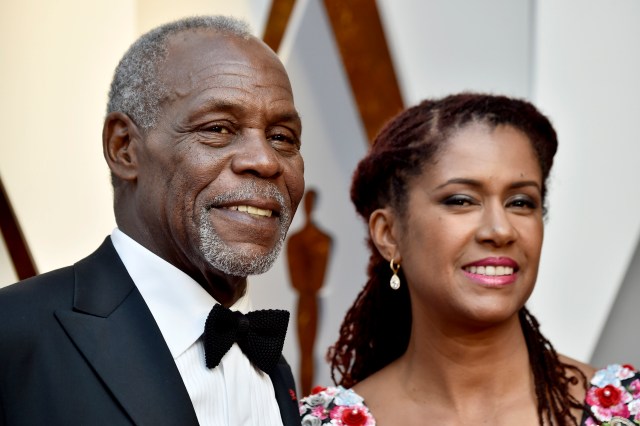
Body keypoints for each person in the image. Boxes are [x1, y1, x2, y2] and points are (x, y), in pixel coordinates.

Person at [0, 16, 304, 426]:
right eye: (218, 128)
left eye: (282, 136)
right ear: (124, 148)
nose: (265, 161)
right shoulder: (14, 336)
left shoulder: (273, 367)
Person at [299, 93, 640, 425]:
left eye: (521, 202)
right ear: (389, 234)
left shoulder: (630, 409)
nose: (500, 229)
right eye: (462, 200)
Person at [286, 189, 333, 395]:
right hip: (304, 300)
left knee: (308, 351)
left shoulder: (322, 240)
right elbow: (296, 279)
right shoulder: (296, 241)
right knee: (304, 352)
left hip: (311, 301)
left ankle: (306, 398)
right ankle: (304, 399)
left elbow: (315, 279)